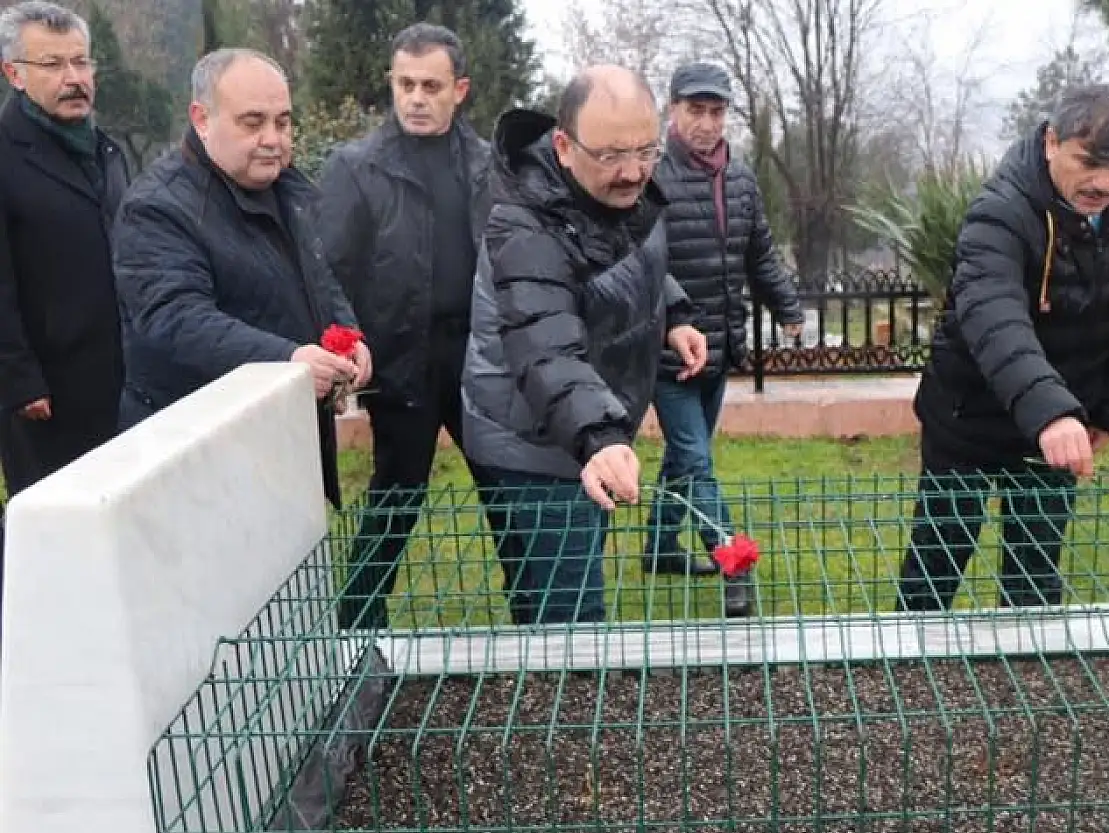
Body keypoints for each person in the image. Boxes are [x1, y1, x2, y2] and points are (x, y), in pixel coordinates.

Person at [895, 84, 1109, 613]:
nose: (1104, 184)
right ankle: (904, 672)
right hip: (968, 414)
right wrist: (1052, 414)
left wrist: (1107, 411)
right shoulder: (998, 212)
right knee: (939, 555)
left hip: (1064, 422)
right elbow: (995, 317)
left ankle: (1026, 683)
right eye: (1088, 163)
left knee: (1035, 570)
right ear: (1051, 142)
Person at [460, 65, 707, 626]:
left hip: (580, 430)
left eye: (646, 152)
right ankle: (572, 706)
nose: (632, 173)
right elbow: (545, 343)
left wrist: (675, 316)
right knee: (573, 620)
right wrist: (597, 434)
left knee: (544, 608)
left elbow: (629, 259)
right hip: (535, 441)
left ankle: (541, 693)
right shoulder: (523, 224)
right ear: (565, 146)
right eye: (612, 156)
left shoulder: (620, 190)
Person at [316, 23, 515, 629]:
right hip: (403, 360)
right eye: (405, 84)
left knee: (506, 493)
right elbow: (328, 268)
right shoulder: (356, 168)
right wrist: (349, 343)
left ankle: (540, 621)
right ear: (392, 84)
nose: (416, 98)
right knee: (396, 496)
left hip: (479, 359)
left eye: (431, 85)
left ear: (460, 90)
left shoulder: (488, 165)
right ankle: (357, 627)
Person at [111, 48, 371, 509]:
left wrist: (346, 336)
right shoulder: (157, 208)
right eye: (253, 123)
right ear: (202, 118)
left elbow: (318, 276)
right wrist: (287, 360)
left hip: (278, 438)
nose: (273, 138)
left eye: (284, 121)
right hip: (194, 450)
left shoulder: (285, 189)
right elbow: (176, 319)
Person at [642, 61, 804, 618]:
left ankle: (660, 548)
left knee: (685, 459)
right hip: (668, 351)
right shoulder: (652, 177)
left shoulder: (740, 178)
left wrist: (786, 306)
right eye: (696, 111)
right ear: (673, 111)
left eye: (716, 112)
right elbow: (640, 263)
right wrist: (667, 321)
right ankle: (735, 564)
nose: (707, 124)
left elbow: (758, 251)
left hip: (723, 344)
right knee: (696, 458)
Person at [0, 1, 131, 645]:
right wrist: (19, 378)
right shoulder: (5, 154)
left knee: (117, 522)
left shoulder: (107, 147)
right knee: (57, 531)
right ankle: (54, 652)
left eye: (80, 61)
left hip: (119, 371)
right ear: (14, 74)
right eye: (51, 64)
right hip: (45, 388)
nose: (73, 77)